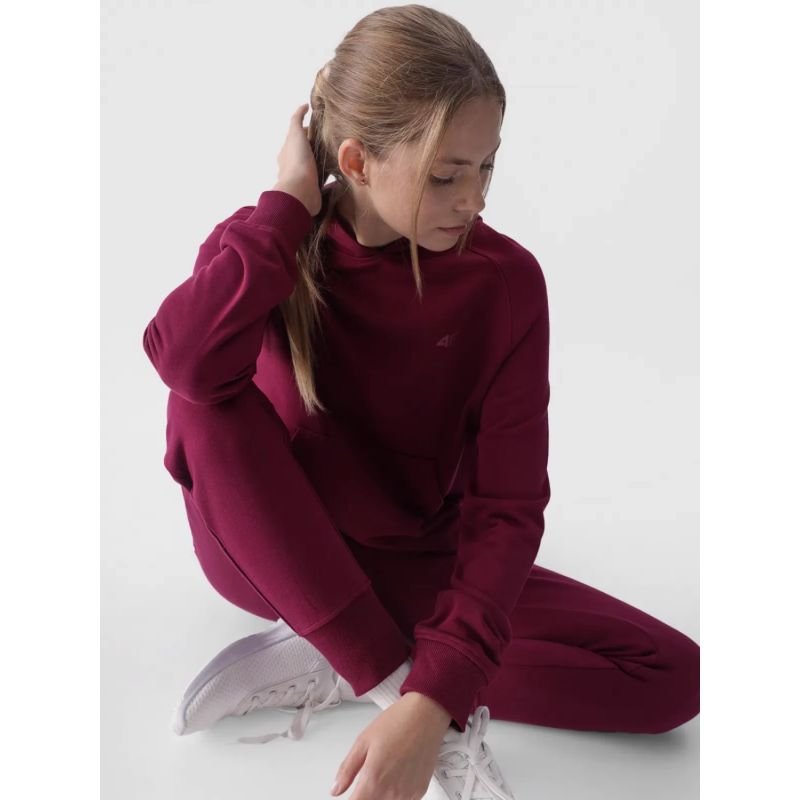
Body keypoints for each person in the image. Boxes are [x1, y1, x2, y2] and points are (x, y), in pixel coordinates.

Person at [141, 5, 700, 799]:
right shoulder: (269, 244)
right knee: (203, 399)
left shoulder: (505, 283)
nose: (473, 200)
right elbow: (183, 361)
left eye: (487, 168)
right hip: (269, 558)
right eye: (446, 175)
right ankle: (373, 674)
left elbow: (507, 509)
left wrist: (436, 690)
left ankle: (336, 658)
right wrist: (285, 209)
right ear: (357, 161)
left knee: (673, 677)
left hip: (412, 565)